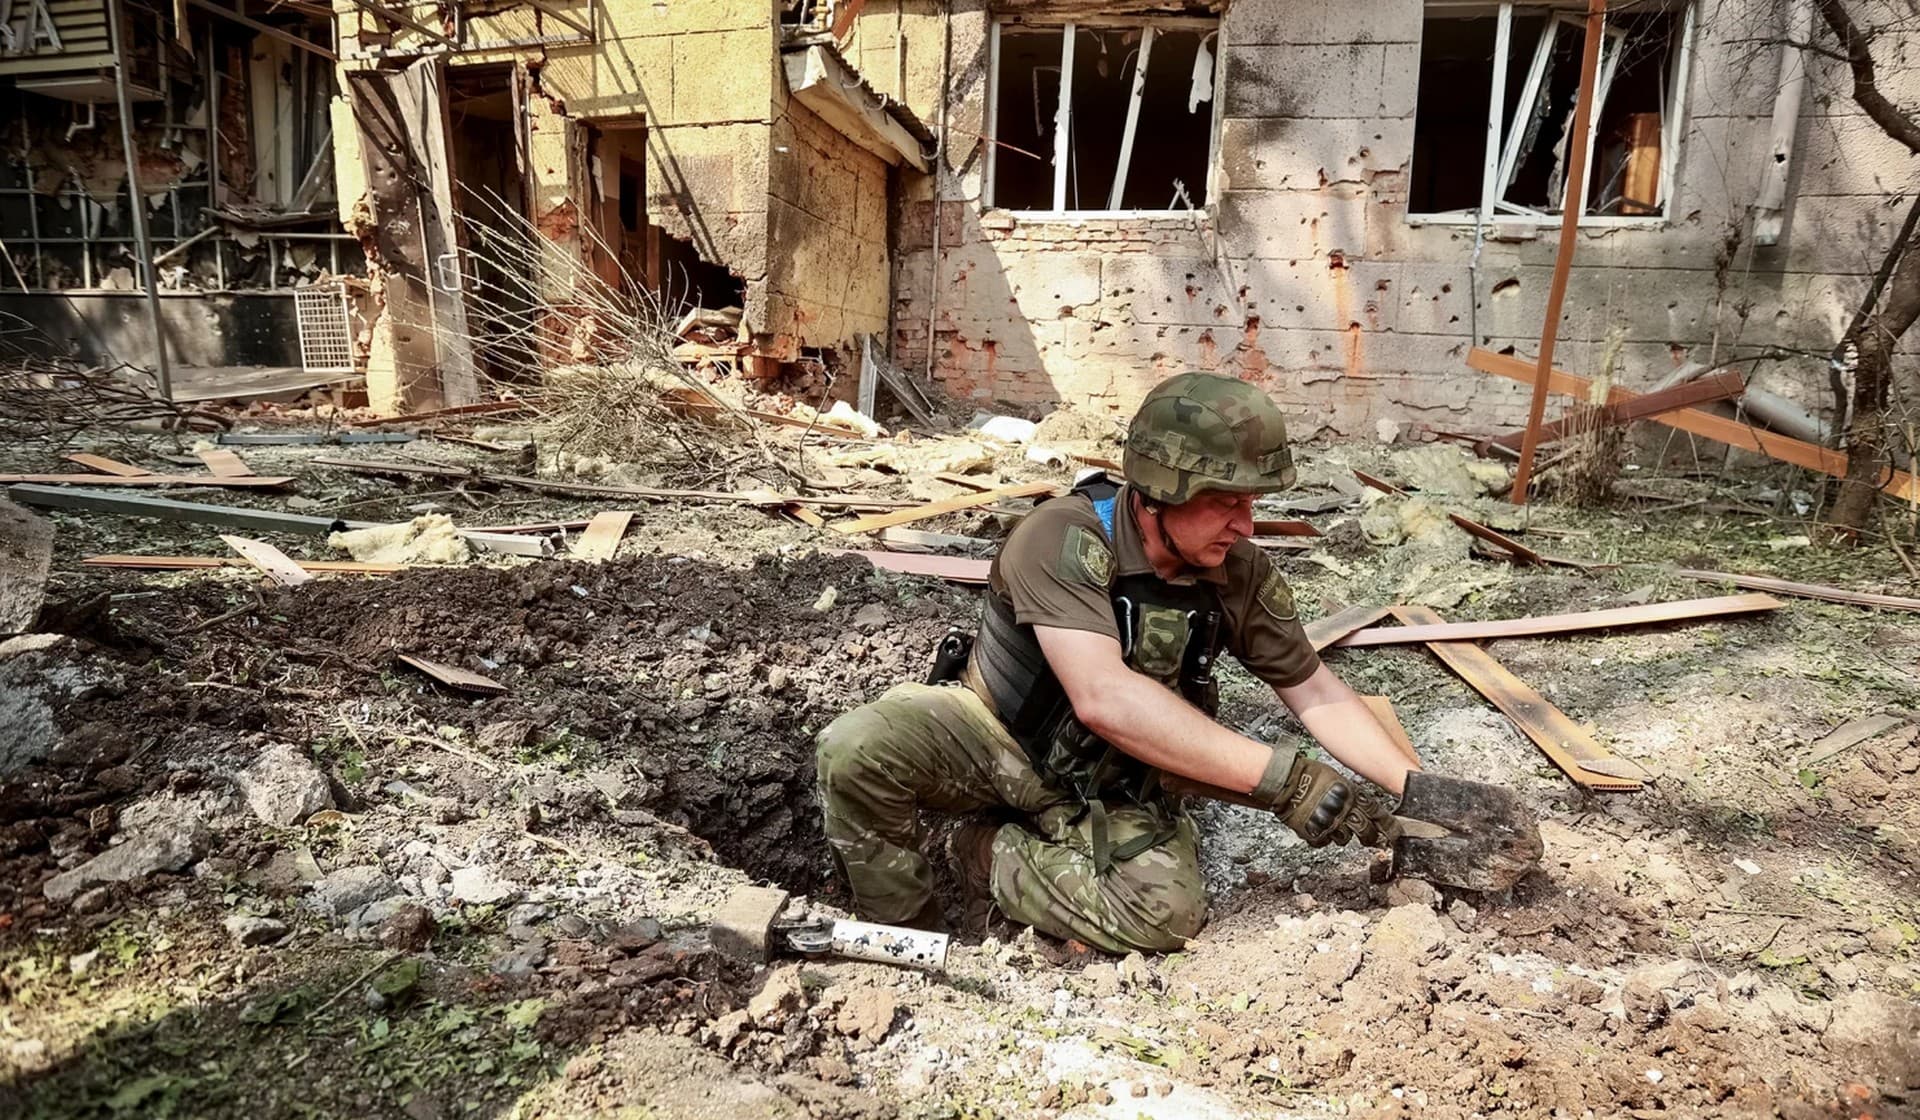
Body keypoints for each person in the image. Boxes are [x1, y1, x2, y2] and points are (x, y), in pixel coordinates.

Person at [814, 372, 1415, 954]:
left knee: (1164, 915)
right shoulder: (1061, 537)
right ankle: (902, 943)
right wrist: (1284, 780)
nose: (1246, 525)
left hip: (1121, 778)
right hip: (998, 739)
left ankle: (982, 853)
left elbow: (1317, 692)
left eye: (1252, 502)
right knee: (857, 749)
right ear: (1157, 494)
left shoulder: (1238, 573)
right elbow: (1103, 697)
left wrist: (1419, 792)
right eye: (1225, 502)